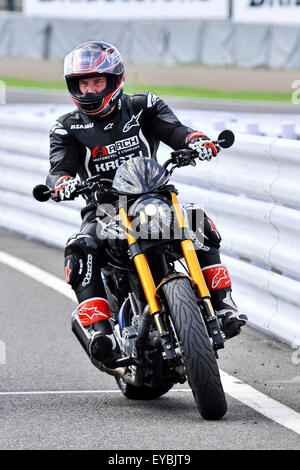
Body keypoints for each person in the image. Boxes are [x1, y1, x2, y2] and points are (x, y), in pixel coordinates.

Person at [47, 41, 247, 366]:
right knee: (81, 246)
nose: (90, 89)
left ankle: (223, 304)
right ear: (73, 86)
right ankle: (101, 332)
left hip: (152, 197)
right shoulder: (67, 127)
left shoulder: (144, 105)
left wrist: (196, 141)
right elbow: (59, 168)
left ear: (114, 80)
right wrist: (62, 184)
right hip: (105, 209)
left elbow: (175, 130)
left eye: (97, 81)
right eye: (83, 83)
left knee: (197, 221)